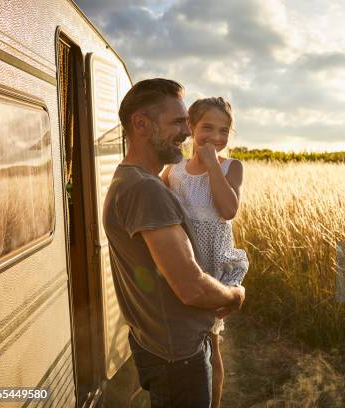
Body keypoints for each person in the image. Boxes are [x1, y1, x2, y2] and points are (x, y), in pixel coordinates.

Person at [102, 78, 245, 408]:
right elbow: (193, 288)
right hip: (178, 353)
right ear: (141, 124)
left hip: (158, 341)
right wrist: (234, 295)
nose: (186, 131)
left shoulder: (134, 180)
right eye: (179, 121)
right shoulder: (148, 188)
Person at [161, 97, 248, 408]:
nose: (215, 137)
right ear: (190, 128)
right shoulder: (174, 170)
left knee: (210, 341)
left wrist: (212, 164)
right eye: (207, 128)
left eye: (223, 130)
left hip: (212, 265)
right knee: (187, 339)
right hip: (185, 261)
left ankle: (213, 402)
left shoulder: (231, 167)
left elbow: (227, 210)